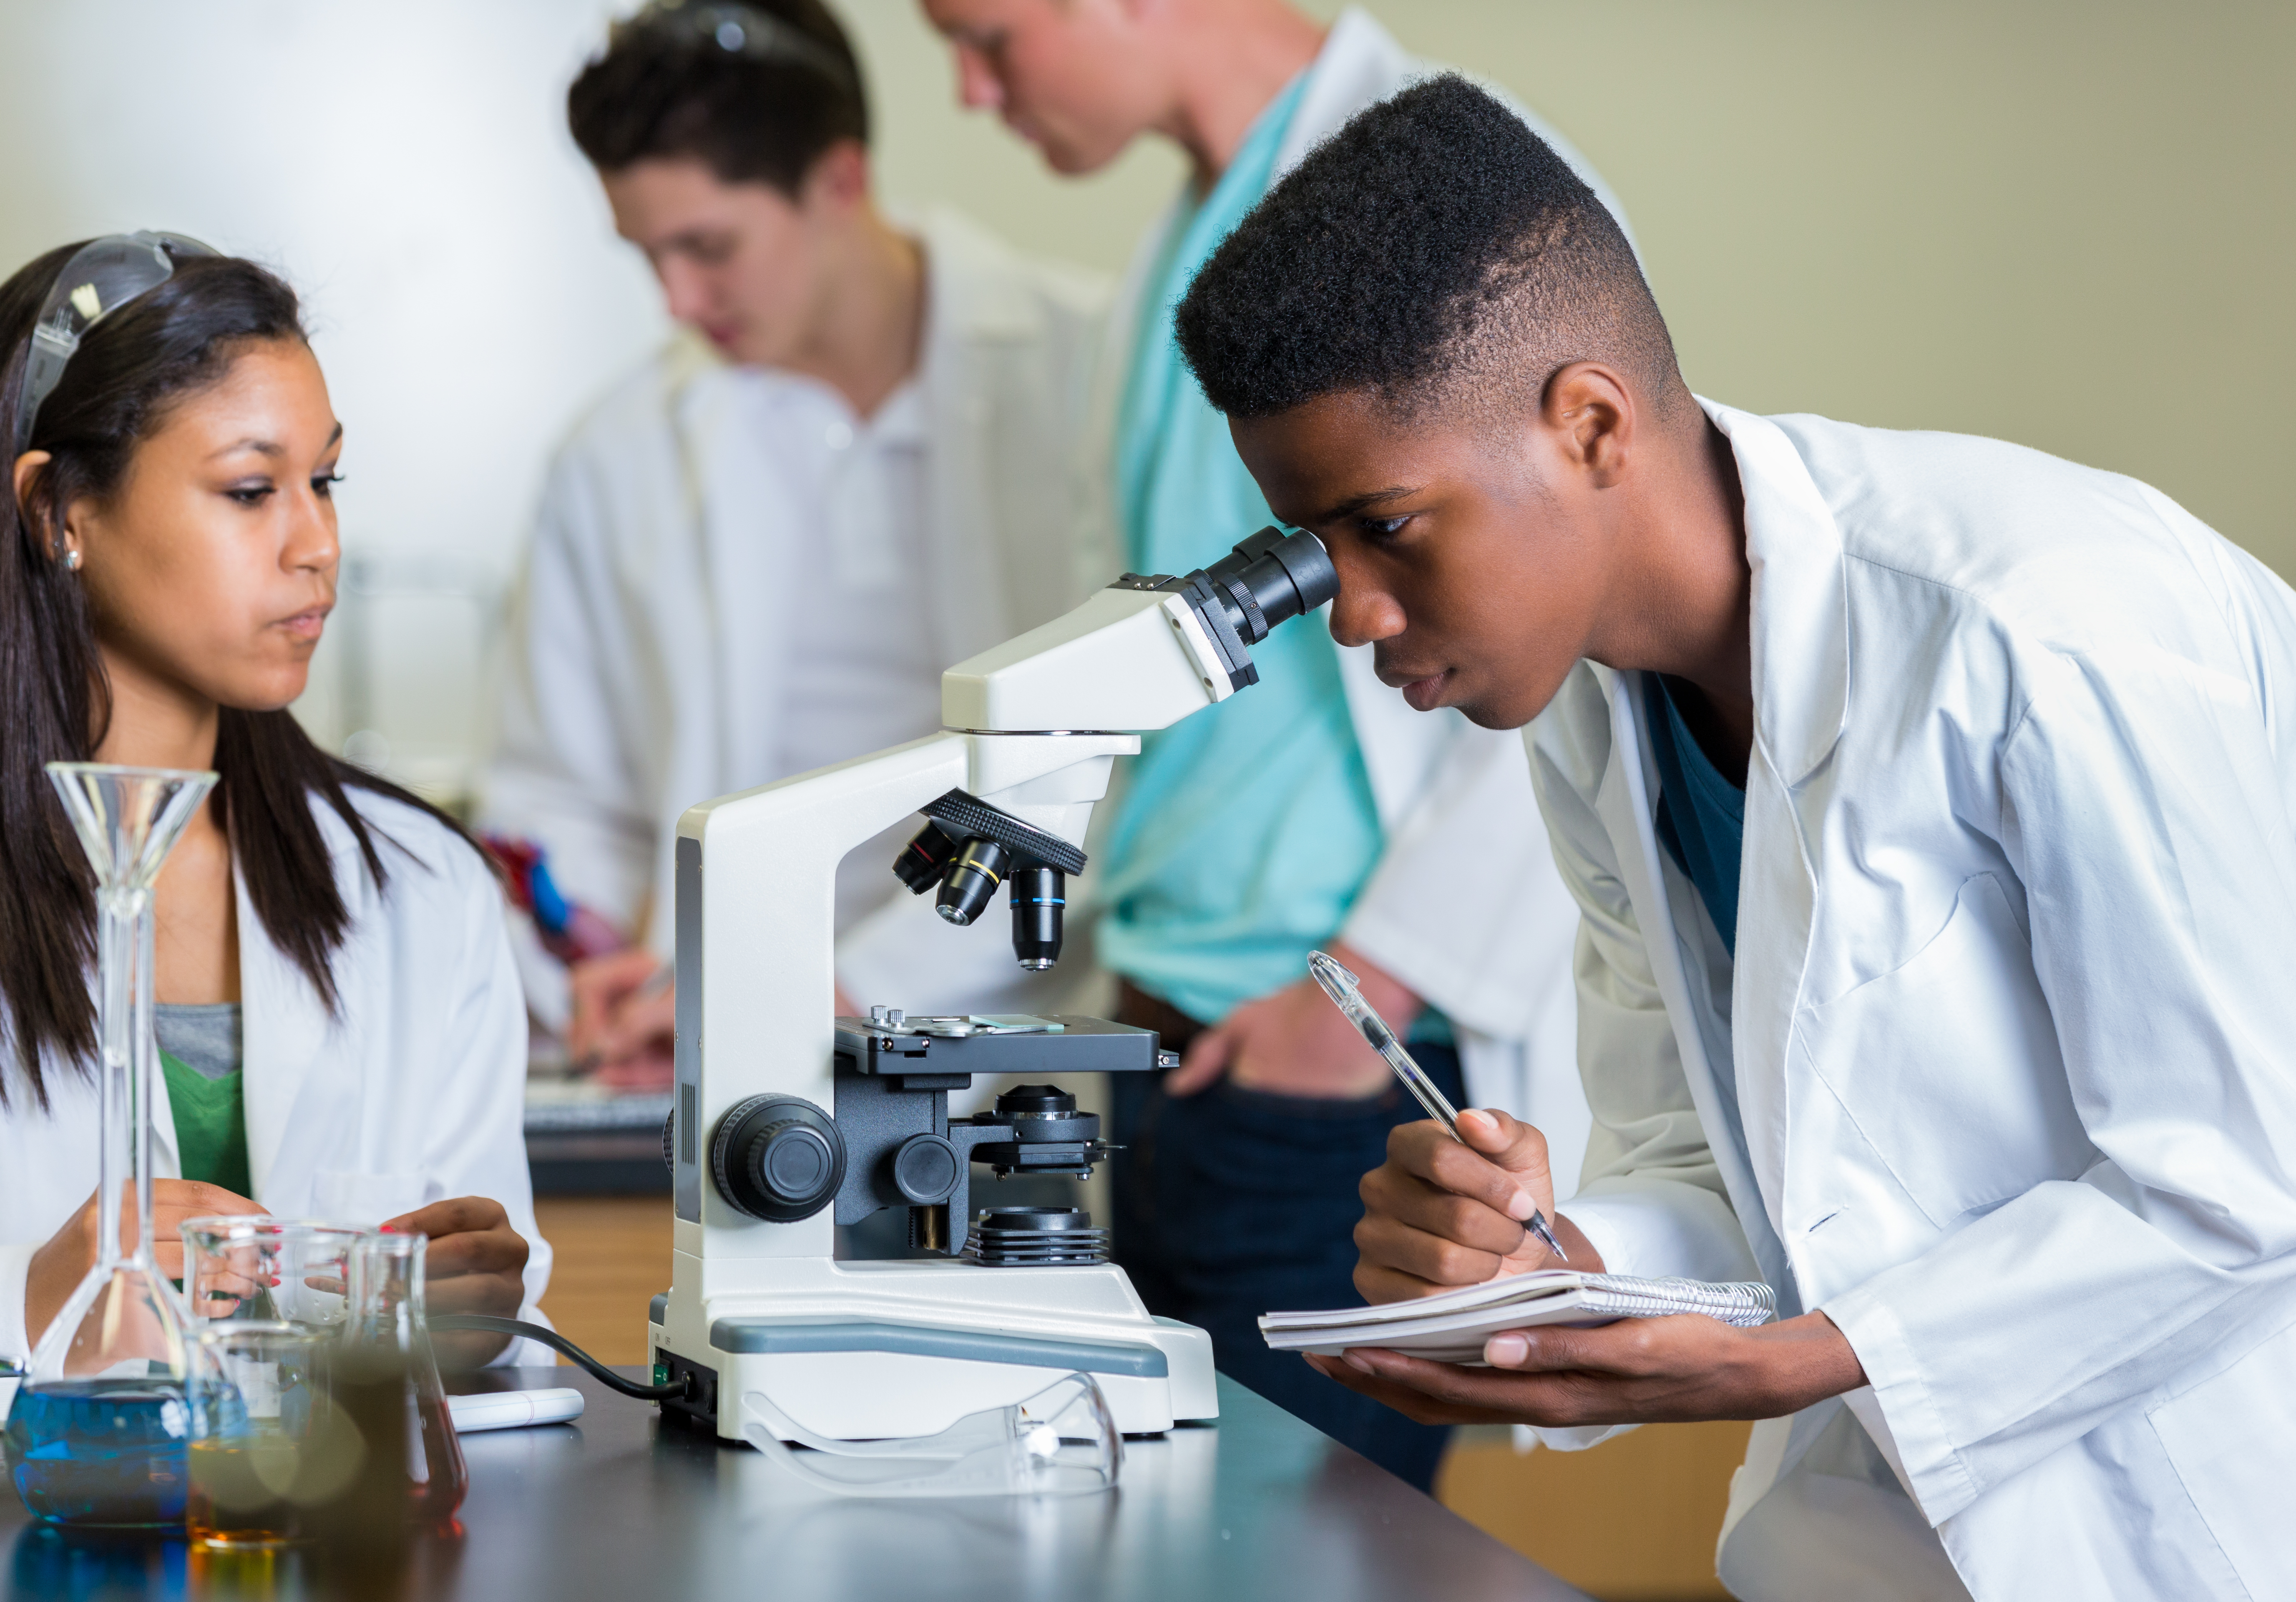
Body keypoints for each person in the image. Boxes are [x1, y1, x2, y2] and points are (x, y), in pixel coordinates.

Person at [1171, 73, 2296, 1600]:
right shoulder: (1597, 715)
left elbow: (2243, 1185)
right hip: (1873, 1547)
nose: (1356, 617)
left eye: (1389, 527)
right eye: (1320, 553)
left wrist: (1798, 1362)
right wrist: (1548, 1264)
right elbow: (1714, 1169)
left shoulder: (2044, 624)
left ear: (1589, 425)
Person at [918, 0, 1610, 1485]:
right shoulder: (1172, 270)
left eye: (984, 36)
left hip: (1335, 1065)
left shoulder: (1453, 184)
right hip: (1162, 1043)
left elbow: (1562, 603)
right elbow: (1122, 693)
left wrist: (1359, 994)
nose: (974, 93)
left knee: (1288, 1556)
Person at [0, 236, 545, 1371]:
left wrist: (468, 1312)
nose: (319, 546)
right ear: (58, 513)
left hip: (332, 1547)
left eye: (324, 482)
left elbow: (505, 1357)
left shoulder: (419, 888)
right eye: (251, 491)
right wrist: (18, 1296)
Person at [478, 0, 1114, 1083]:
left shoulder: (1089, 373)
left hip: (1025, 1048)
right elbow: (557, 790)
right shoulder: (615, 453)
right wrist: (588, 957)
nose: (678, 299)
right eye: (648, 255)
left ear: (840, 181)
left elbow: (1109, 759)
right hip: (726, 1056)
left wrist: (854, 991)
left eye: (708, 247)